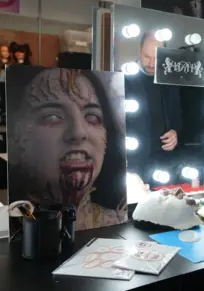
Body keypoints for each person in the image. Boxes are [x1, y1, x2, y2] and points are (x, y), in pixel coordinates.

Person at [7, 67, 127, 231]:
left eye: (92, 116)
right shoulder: (13, 233)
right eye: (52, 116)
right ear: (14, 140)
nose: (78, 132)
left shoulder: (115, 221)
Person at [125, 31, 182, 181]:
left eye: (156, 58)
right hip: (133, 161)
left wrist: (176, 132)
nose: (151, 64)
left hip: (164, 162)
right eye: (147, 57)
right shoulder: (123, 80)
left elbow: (178, 116)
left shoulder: (170, 81)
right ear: (139, 51)